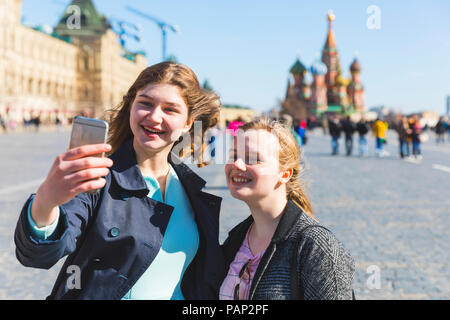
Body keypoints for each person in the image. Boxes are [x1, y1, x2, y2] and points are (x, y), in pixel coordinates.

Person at [14, 61, 225, 300]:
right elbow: (40, 254)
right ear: (131, 107)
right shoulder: (98, 177)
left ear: (188, 123)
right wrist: (46, 202)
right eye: (145, 103)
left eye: (170, 109)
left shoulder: (191, 190)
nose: (154, 117)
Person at [219, 118, 355, 300]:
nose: (237, 164)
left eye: (253, 159)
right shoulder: (235, 239)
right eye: (234, 156)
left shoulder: (315, 247)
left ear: (284, 174)